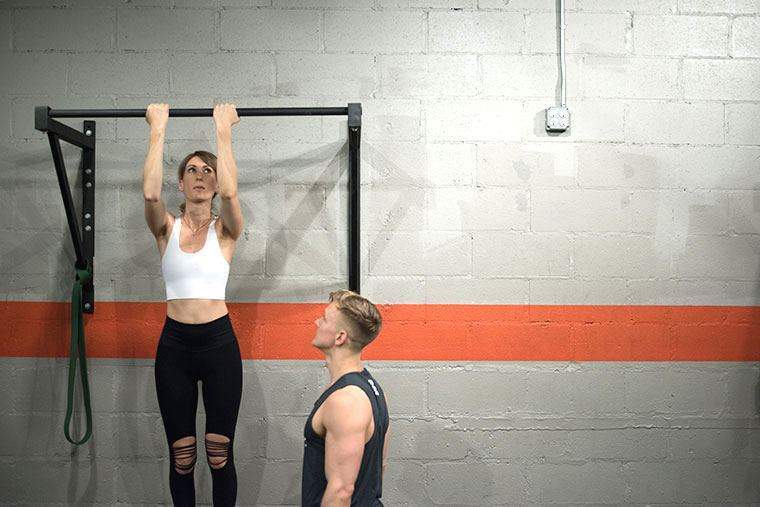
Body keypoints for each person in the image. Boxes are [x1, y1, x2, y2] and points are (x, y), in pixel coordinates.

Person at [143, 102, 244, 506]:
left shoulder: (227, 231)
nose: (200, 176)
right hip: (175, 348)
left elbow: (234, 191)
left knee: (219, 454)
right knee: (182, 456)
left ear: (216, 183)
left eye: (208, 170)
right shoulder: (166, 228)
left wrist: (224, 130)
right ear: (181, 184)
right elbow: (150, 191)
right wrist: (158, 129)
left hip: (219, 346)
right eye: (192, 170)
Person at [302, 290, 390, 506]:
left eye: (324, 318)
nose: (317, 321)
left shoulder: (346, 401)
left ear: (340, 337)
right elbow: (381, 465)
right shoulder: (371, 388)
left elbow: (341, 491)